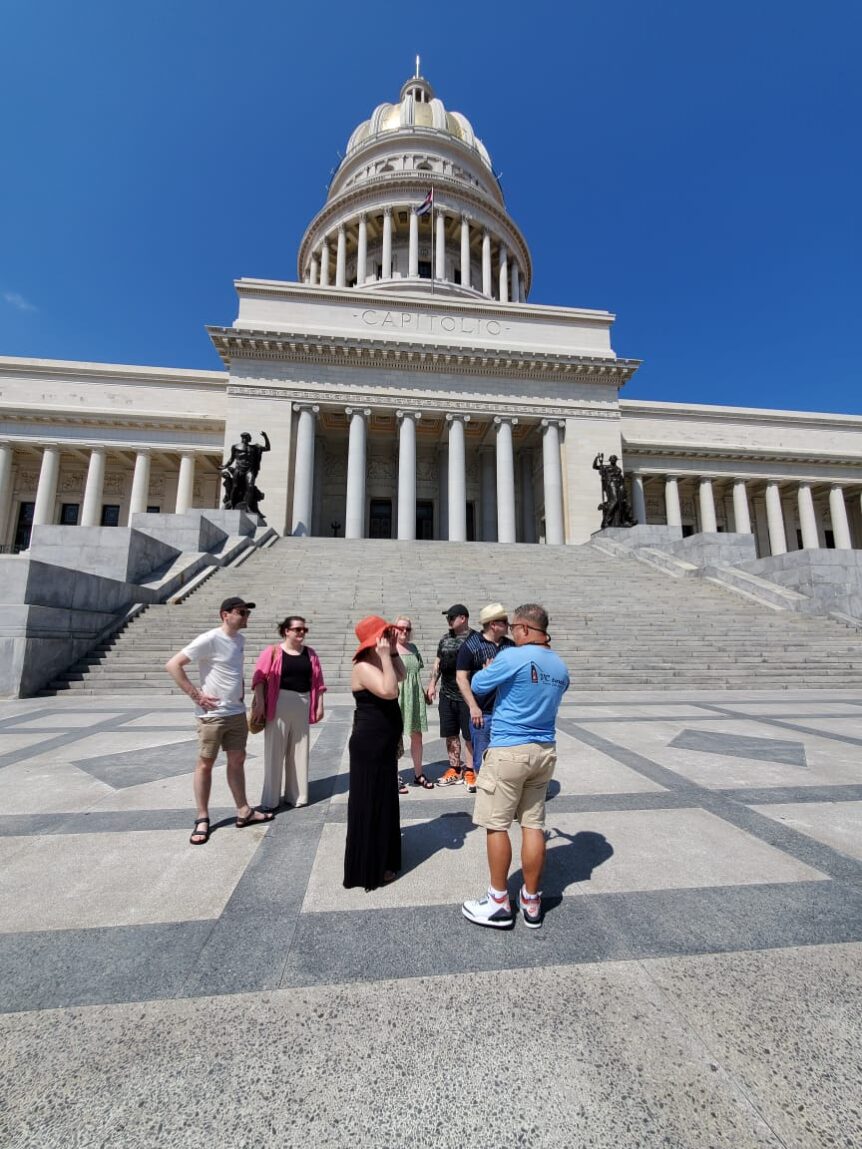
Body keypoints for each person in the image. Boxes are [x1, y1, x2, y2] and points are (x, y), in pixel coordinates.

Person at [461, 603, 569, 930]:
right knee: (533, 824)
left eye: (513, 629)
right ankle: (531, 900)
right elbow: (558, 687)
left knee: (497, 824)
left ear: (522, 628)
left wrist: (493, 667)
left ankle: (497, 902)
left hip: (509, 750)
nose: (511, 634)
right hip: (544, 751)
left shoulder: (511, 656)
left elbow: (479, 685)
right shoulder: (560, 665)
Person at [165, 596, 274, 846]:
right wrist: (196, 695)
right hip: (212, 715)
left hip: (235, 712)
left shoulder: (240, 640)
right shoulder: (210, 638)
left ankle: (244, 810)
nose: (246, 616)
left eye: (247, 613)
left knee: (237, 760)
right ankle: (202, 818)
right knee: (205, 763)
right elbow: (173, 665)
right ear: (225, 614)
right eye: (241, 612)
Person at [343, 616, 406, 891]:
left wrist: (391, 652)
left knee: (385, 799)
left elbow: (402, 675)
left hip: (383, 743)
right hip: (369, 745)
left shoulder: (381, 659)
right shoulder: (362, 667)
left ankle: (386, 856)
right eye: (384, 635)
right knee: (371, 801)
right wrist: (383, 655)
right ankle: (371, 866)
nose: (388, 638)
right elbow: (390, 690)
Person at [250, 614, 326, 811]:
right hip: (278, 703)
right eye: (298, 629)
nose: (302, 632)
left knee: (299, 751)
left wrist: (319, 704)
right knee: (275, 751)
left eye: (304, 629)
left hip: (303, 702)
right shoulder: (273, 651)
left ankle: (297, 796)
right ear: (286, 631)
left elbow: (318, 683)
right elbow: (259, 678)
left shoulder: (311, 654)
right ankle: (271, 799)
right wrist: (259, 703)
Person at [455, 602, 515, 792]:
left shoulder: (511, 647)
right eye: (504, 621)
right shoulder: (471, 645)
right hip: (483, 712)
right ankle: (485, 799)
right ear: (493, 624)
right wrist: (473, 706)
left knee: (507, 759)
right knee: (482, 759)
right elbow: (461, 678)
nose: (508, 625)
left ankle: (503, 798)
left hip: (507, 713)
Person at [426, 603, 475, 788]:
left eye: (451, 617)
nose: (448, 621)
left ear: (463, 618)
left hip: (467, 696)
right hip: (447, 695)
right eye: (448, 618)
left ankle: (470, 770)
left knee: (470, 735)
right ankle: (455, 769)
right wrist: (432, 684)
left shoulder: (475, 639)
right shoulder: (445, 639)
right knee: (451, 734)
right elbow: (438, 662)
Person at [393, 616, 434, 791]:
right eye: (401, 628)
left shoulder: (414, 648)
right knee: (394, 738)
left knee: (417, 736)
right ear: (394, 629)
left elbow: (415, 675)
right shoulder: (389, 649)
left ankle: (418, 774)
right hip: (397, 696)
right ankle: (393, 776)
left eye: (408, 629)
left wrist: (425, 692)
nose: (404, 631)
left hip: (414, 697)